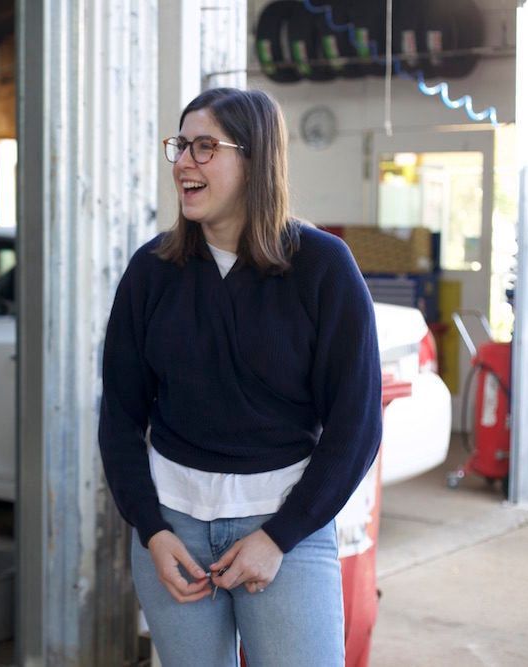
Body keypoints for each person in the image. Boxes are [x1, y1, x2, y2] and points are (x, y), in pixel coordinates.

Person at [98, 87, 382, 666]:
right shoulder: (151, 271)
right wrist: (150, 529)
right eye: (180, 145)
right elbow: (120, 416)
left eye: (205, 147)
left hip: (285, 527)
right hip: (173, 530)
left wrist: (280, 537)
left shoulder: (323, 267)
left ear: (256, 160)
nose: (183, 162)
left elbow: (357, 425)